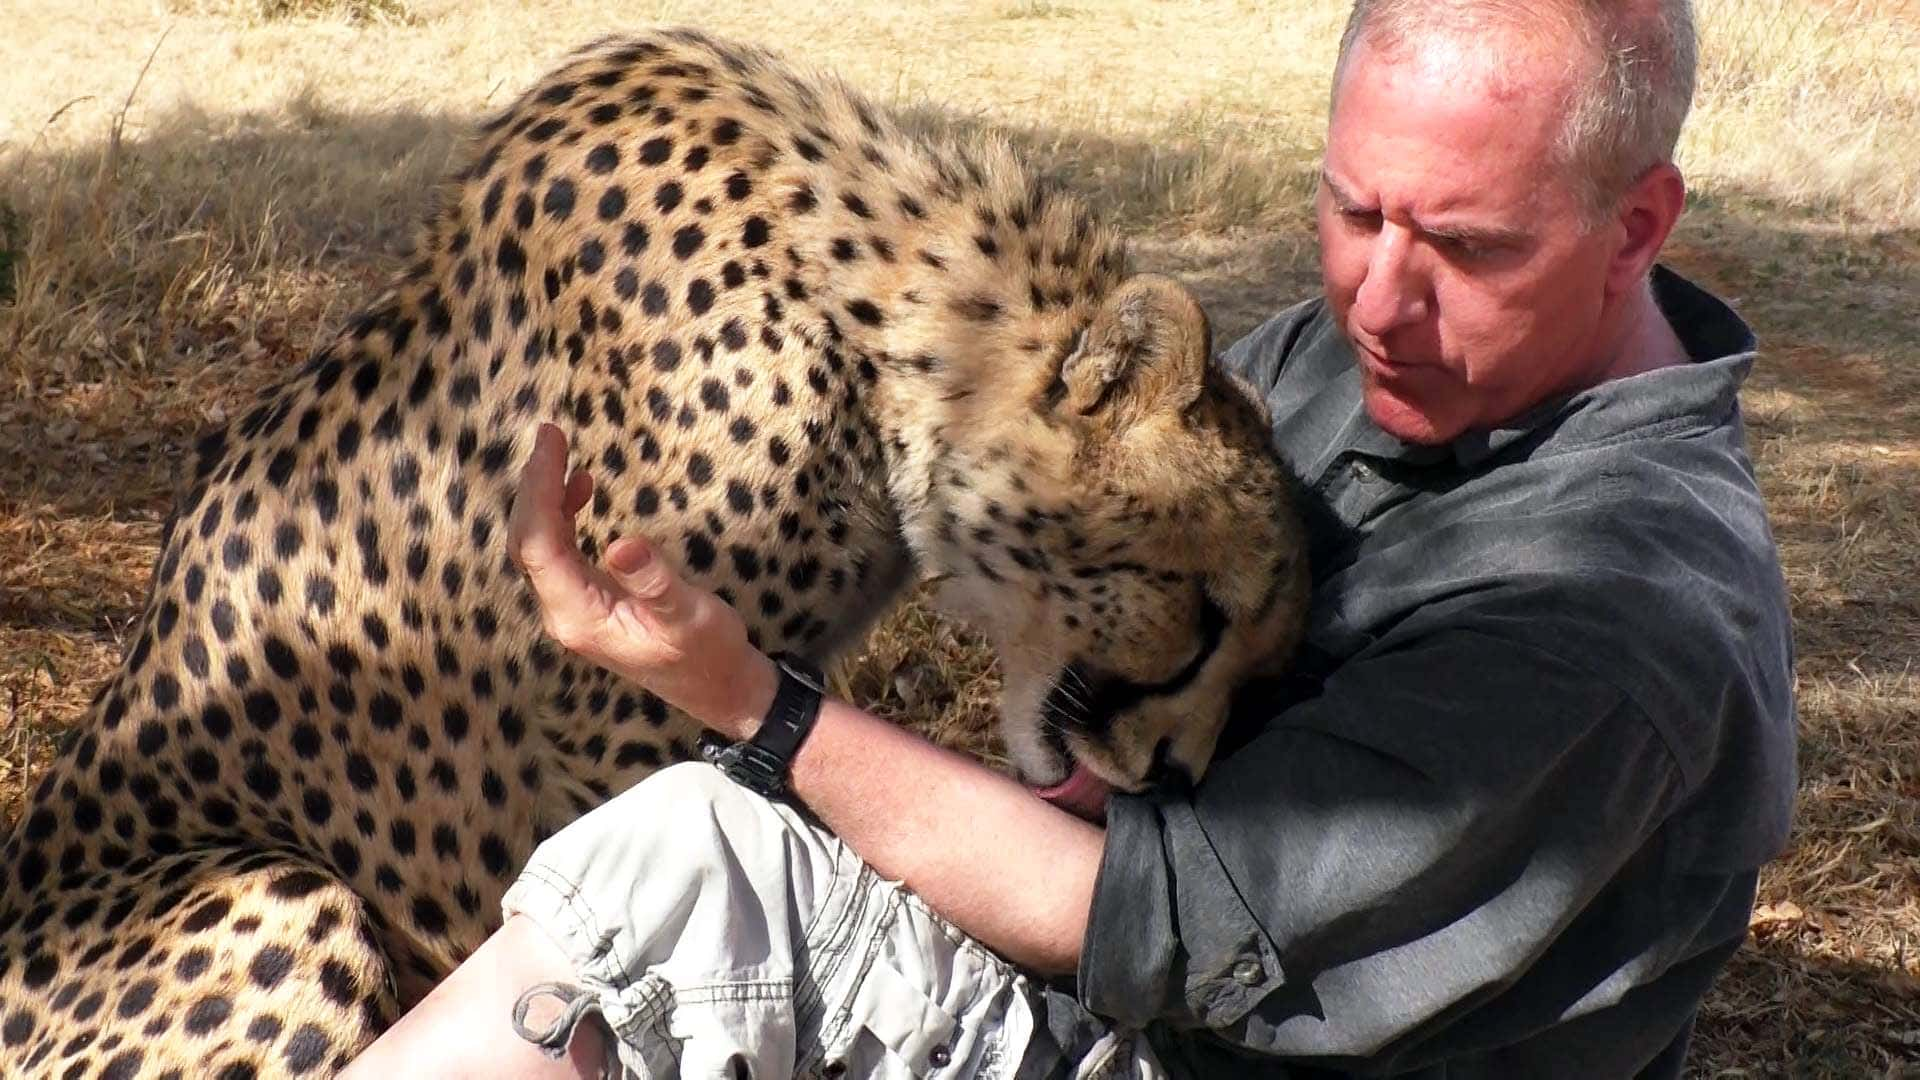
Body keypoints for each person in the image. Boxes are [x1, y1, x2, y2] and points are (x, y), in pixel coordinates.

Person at [346, 0, 1796, 1076]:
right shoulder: (1388, 371)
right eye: (1354, 212)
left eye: (1470, 247)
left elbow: (1105, 909)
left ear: (1638, 223)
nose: (1377, 302)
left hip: (1174, 1040)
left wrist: (746, 700)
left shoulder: (1614, 615)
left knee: (695, 862)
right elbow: (1104, 810)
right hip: (1143, 1006)